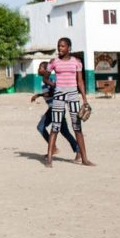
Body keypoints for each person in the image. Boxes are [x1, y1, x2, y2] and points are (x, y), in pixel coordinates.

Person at [44, 38, 94, 168]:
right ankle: (49, 159)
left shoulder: (77, 62)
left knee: (77, 127)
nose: (60, 48)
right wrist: (53, 85)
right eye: (58, 46)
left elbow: (80, 82)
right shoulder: (54, 62)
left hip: (73, 96)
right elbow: (45, 77)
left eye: (62, 46)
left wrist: (85, 100)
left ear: (69, 48)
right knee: (55, 127)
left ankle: (84, 159)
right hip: (58, 96)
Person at [30, 61, 79, 159]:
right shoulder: (44, 81)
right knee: (63, 131)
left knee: (42, 127)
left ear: (45, 69)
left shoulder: (50, 79)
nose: (38, 70)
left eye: (40, 68)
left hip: (56, 108)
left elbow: (52, 93)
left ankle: (57, 149)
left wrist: (38, 95)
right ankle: (75, 150)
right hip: (52, 108)